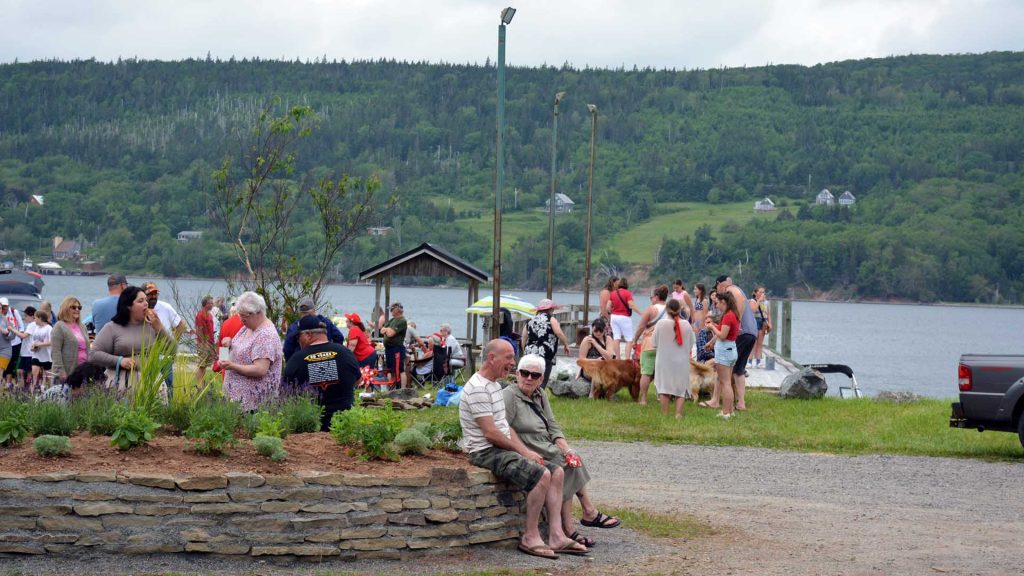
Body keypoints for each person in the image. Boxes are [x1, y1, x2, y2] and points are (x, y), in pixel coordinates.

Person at [459, 339, 588, 560]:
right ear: (492, 358)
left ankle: (556, 535)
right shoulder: (478, 388)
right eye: (509, 357)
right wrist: (524, 452)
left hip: (499, 448)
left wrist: (524, 451)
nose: (512, 363)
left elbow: (504, 429)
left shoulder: (493, 385)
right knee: (542, 474)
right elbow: (491, 433)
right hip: (485, 452)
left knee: (556, 470)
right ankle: (530, 536)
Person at [503, 354, 621, 550]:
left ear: (541, 378)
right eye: (525, 373)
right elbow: (505, 427)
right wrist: (524, 451)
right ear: (517, 374)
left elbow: (553, 426)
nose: (529, 378)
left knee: (572, 458)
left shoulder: (540, 394)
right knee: (564, 464)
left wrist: (566, 448)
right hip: (527, 444)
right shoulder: (510, 395)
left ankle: (573, 525)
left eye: (535, 375)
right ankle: (583, 516)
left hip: (544, 443)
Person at [282, 316, 360, 431]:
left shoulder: (297, 359)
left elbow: (286, 392)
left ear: (308, 335)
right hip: (345, 426)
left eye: (299, 337)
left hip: (311, 428)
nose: (298, 341)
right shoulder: (345, 353)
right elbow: (358, 380)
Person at [89, 286, 170, 391]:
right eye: (140, 301)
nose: (146, 303)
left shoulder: (152, 326)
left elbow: (172, 350)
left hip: (151, 381)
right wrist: (119, 360)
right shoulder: (112, 327)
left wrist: (160, 328)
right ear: (128, 306)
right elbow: (93, 354)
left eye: (146, 300)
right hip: (122, 383)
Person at [220, 291, 283, 411]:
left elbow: (260, 370)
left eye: (245, 316)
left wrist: (232, 366)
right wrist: (227, 344)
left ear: (258, 312)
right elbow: (232, 355)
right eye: (240, 315)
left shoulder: (266, 335)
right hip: (237, 402)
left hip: (254, 406)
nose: (241, 319)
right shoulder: (247, 328)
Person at [717, 275, 757, 411]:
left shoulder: (732, 291)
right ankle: (741, 403)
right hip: (752, 332)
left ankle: (717, 401)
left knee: (724, 366)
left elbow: (736, 315)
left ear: (720, 285)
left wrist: (733, 328)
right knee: (739, 370)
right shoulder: (739, 290)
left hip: (742, 332)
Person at [142, 281, 187, 397]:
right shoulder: (139, 309)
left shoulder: (165, 307)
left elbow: (181, 325)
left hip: (164, 354)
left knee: (169, 383)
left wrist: (172, 344)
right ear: (143, 295)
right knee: (147, 384)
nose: (153, 297)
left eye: (155, 294)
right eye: (150, 294)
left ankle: (170, 409)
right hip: (146, 354)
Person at [651, 299, 694, 419]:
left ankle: (665, 414)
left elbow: (654, 343)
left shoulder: (661, 324)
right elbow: (691, 344)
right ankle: (678, 414)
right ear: (680, 309)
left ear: (667, 309)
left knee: (664, 388)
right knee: (681, 388)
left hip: (664, 361)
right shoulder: (686, 324)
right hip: (681, 361)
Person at [702, 290, 741, 419]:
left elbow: (722, 336)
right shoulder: (732, 314)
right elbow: (723, 331)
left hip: (725, 351)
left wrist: (712, 328)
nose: (716, 305)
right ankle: (730, 410)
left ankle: (725, 413)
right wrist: (711, 342)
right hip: (730, 349)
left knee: (725, 384)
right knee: (727, 382)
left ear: (724, 302)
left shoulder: (728, 316)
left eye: (717, 303)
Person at [631, 285, 669, 405]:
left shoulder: (651, 309)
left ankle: (644, 399)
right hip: (665, 344)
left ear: (656, 297)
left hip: (650, 344)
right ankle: (663, 398)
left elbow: (641, 326)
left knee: (646, 372)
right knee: (663, 373)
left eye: (651, 297)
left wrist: (634, 340)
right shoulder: (671, 309)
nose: (651, 300)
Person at [522, 299, 571, 387]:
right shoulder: (551, 319)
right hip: (545, 353)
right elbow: (558, 332)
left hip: (529, 353)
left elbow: (524, 337)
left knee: (530, 377)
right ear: (550, 309)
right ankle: (539, 397)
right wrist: (566, 344)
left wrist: (524, 351)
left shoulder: (530, 321)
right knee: (542, 380)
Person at [282, 296, 345, 361]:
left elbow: (287, 349)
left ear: (300, 313)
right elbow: (339, 337)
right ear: (314, 311)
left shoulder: (294, 327)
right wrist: (332, 355)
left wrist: (292, 363)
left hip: (302, 362)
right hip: (324, 359)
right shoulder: (326, 322)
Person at [51, 296, 90, 384]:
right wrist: (60, 372)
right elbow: (55, 352)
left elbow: (87, 349)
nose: (77, 309)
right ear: (66, 308)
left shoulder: (82, 326)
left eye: (79, 307)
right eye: (73, 307)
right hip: (68, 372)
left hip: (83, 371)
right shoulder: (59, 326)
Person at [577, 317, 616, 398]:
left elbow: (610, 357)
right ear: (592, 329)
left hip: (605, 367)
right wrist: (595, 361)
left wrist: (596, 345)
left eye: (600, 331)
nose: (598, 333)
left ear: (604, 330)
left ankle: (609, 393)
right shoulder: (587, 340)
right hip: (589, 368)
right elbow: (581, 360)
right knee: (597, 369)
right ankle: (592, 394)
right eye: (595, 331)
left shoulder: (608, 339)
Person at [607, 277, 641, 358]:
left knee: (616, 337)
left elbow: (607, 307)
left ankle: (618, 358)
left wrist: (611, 312)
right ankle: (627, 358)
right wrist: (641, 313)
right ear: (626, 285)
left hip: (614, 317)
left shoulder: (613, 293)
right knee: (629, 339)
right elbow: (631, 304)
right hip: (624, 317)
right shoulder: (627, 293)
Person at [380, 302, 409, 388]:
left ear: (397, 309)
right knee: (390, 369)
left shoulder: (402, 321)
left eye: (392, 309)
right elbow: (382, 330)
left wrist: (387, 329)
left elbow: (390, 334)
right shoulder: (392, 320)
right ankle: (391, 387)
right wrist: (386, 329)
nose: (391, 311)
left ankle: (402, 388)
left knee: (399, 369)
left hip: (397, 348)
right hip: (389, 348)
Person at [0, 297, 26, 387]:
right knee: (3, 366)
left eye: (6, 306)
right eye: (2, 306)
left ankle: (8, 384)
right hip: (4, 344)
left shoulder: (14, 312)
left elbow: (21, 327)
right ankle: (4, 384)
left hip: (15, 343)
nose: (4, 308)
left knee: (10, 365)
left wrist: (21, 336)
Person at [194, 295, 216, 386]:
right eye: (210, 303)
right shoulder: (201, 314)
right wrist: (203, 343)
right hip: (204, 343)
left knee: (205, 365)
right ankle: (199, 384)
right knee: (201, 364)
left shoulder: (210, 315)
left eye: (212, 302)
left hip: (210, 342)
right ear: (205, 304)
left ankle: (202, 383)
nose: (212, 304)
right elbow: (199, 329)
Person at [29, 310, 53, 389]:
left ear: (40, 318)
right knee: (34, 375)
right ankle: (32, 394)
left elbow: (51, 342)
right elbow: (35, 341)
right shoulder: (36, 328)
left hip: (47, 356)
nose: (34, 320)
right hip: (36, 355)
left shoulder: (49, 328)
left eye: (35, 318)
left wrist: (39, 344)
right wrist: (33, 347)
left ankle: (50, 392)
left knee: (49, 378)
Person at [751, 286, 772, 368]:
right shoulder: (753, 301)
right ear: (755, 293)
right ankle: (749, 361)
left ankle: (758, 361)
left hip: (763, 321)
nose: (762, 294)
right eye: (760, 292)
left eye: (763, 292)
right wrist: (759, 300)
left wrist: (770, 323)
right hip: (755, 320)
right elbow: (753, 310)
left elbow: (768, 314)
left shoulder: (766, 302)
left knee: (760, 342)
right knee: (753, 342)